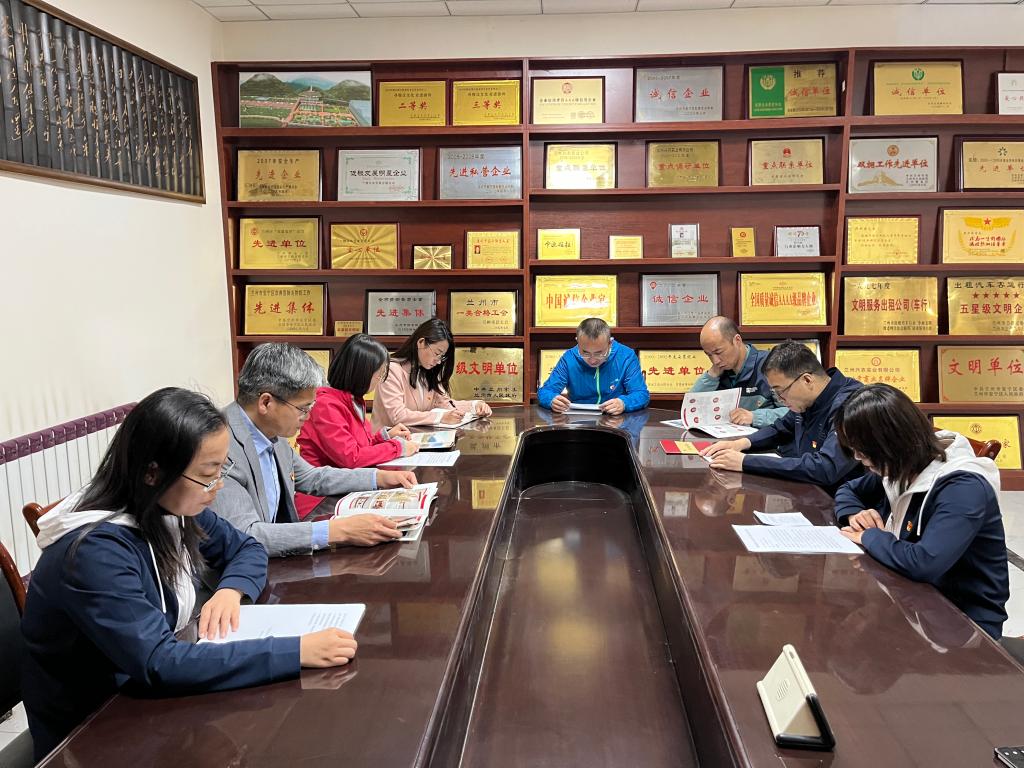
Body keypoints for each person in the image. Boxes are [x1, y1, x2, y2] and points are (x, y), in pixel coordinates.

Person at [21, 388, 359, 761]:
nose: (217, 487)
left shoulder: (171, 506)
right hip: (93, 731)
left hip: (147, 702)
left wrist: (230, 591)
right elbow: (158, 661)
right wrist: (295, 651)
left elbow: (246, 547)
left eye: (220, 471)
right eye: (208, 475)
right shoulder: (94, 552)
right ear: (153, 472)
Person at [833, 383, 1008, 639]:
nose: (860, 459)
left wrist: (870, 536)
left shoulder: (963, 487)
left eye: (863, 451)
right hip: (911, 599)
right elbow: (848, 489)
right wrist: (854, 513)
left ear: (891, 441)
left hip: (962, 624)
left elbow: (925, 562)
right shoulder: (904, 464)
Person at [211, 343, 417, 558]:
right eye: (303, 408)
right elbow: (246, 534)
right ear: (266, 402)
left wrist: (378, 478)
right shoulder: (220, 446)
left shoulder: (269, 430)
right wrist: (337, 531)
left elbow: (311, 477)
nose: (308, 416)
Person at [701, 340, 863, 493]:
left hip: (844, 501)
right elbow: (781, 428)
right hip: (808, 492)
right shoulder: (808, 400)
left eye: (780, 391)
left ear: (807, 380)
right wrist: (740, 444)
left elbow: (825, 468)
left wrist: (745, 462)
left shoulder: (851, 406)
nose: (780, 399)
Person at [295, 334, 419, 517]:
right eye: (379, 375)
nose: (379, 381)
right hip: (320, 501)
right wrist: (397, 448)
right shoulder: (326, 404)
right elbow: (351, 458)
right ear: (362, 373)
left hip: (346, 489)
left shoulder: (353, 400)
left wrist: (384, 436)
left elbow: (360, 445)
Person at [370, 318, 492, 430]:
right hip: (386, 442)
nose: (438, 361)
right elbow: (397, 416)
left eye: (442, 357)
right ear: (421, 342)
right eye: (437, 353)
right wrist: (440, 417)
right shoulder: (392, 370)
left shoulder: (428, 371)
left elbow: (445, 403)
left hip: (416, 439)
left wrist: (475, 406)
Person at [537, 317, 650, 416]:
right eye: (585, 353)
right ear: (578, 341)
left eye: (599, 353)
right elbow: (545, 391)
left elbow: (641, 394)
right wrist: (551, 400)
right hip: (578, 421)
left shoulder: (626, 356)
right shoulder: (569, 358)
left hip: (616, 420)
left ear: (610, 343)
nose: (592, 360)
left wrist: (624, 403)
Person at [688, 316, 787, 428]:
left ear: (737, 340)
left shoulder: (770, 365)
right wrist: (712, 375)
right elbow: (692, 408)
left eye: (718, 352)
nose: (715, 361)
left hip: (764, 436)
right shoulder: (719, 371)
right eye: (709, 355)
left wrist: (754, 417)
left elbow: (792, 412)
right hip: (727, 436)